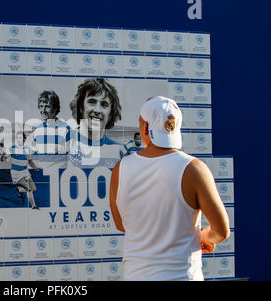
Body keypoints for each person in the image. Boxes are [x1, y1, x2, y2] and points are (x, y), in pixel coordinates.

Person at [109, 96, 230, 281]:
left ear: (145, 128)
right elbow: (221, 231)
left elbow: (122, 224)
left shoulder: (120, 168)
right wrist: (204, 237)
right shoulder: (195, 169)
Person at [69, 78, 123, 166]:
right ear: (81, 108)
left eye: (104, 104)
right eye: (92, 102)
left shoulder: (119, 152)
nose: (97, 110)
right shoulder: (61, 145)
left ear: (110, 114)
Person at [3, 131, 40, 210]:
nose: (19, 139)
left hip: (25, 172)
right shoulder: (12, 148)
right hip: (16, 172)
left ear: (24, 139)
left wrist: (35, 167)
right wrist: (4, 157)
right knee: (28, 189)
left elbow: (30, 161)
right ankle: (34, 206)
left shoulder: (27, 149)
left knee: (34, 189)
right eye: (17, 137)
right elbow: (6, 157)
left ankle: (18, 189)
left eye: (20, 137)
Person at [30, 90, 71, 155]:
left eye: (47, 107)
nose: (43, 110)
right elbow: (33, 157)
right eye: (41, 106)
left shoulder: (66, 129)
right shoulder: (36, 130)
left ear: (55, 108)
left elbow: (71, 158)